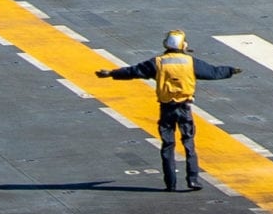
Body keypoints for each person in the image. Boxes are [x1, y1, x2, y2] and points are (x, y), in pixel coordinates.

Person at [96, 30, 243, 191]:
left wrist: (111, 73)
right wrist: (230, 70)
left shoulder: (158, 62)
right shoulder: (190, 62)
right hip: (184, 107)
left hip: (166, 108)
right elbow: (213, 72)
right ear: (183, 45)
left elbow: (134, 71)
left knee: (168, 145)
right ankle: (193, 180)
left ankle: (170, 183)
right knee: (188, 144)